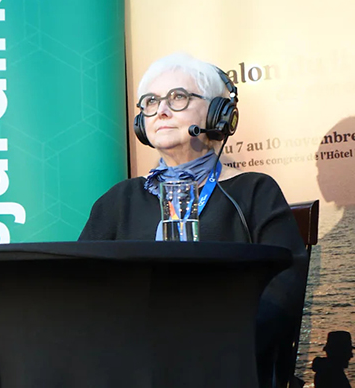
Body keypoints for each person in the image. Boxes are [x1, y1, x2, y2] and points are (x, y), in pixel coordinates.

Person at [79, 52, 307, 387]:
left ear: (219, 113)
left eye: (178, 97)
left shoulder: (254, 191)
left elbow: (283, 291)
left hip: (223, 366)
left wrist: (209, 349)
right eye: (151, 102)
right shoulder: (118, 200)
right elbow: (81, 289)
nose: (162, 110)